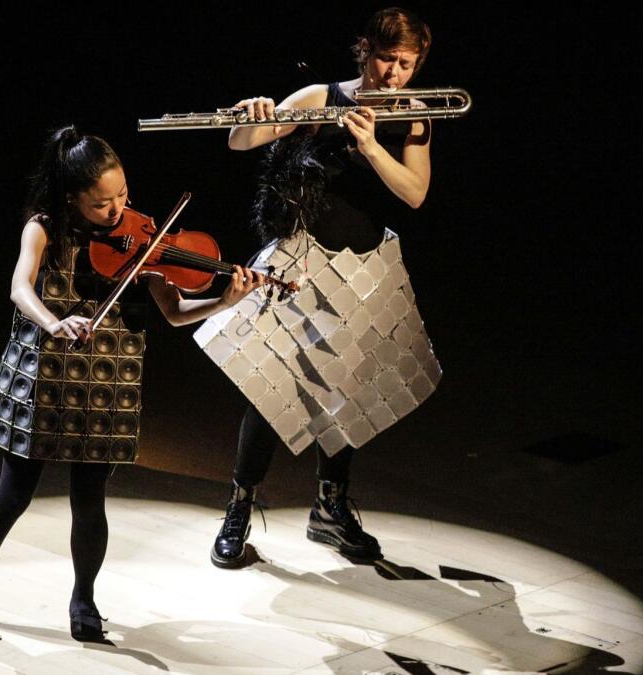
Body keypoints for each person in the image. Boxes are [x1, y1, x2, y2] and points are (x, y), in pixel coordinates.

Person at [0, 126, 263, 641]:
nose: (118, 212)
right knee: (13, 496)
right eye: (101, 204)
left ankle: (84, 602)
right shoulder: (44, 228)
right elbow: (19, 287)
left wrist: (227, 300)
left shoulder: (144, 240)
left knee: (90, 502)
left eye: (123, 197)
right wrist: (53, 321)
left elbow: (176, 313)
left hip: (108, 383)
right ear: (72, 198)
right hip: (44, 377)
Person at [201, 7, 444, 568]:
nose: (394, 75)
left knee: (348, 388)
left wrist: (371, 146)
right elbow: (242, 142)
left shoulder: (416, 115)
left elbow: (414, 193)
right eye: (386, 60)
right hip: (303, 260)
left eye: (406, 65)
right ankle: (240, 506)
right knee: (271, 386)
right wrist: (256, 116)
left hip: (365, 266)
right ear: (366, 52)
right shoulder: (321, 96)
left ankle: (330, 509)